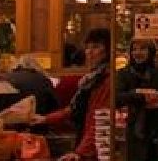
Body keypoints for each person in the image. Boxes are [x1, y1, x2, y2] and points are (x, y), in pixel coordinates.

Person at [42, 28, 113, 161]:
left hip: (97, 146)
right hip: (87, 140)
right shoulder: (91, 78)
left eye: (96, 47)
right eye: (87, 47)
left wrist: (80, 152)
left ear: (108, 51)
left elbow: (99, 119)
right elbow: (75, 108)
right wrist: (45, 119)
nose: (90, 52)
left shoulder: (106, 79)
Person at [116, 42, 158, 160]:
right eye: (134, 49)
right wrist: (140, 94)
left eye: (143, 48)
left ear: (151, 51)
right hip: (137, 132)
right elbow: (118, 98)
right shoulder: (125, 73)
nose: (137, 53)